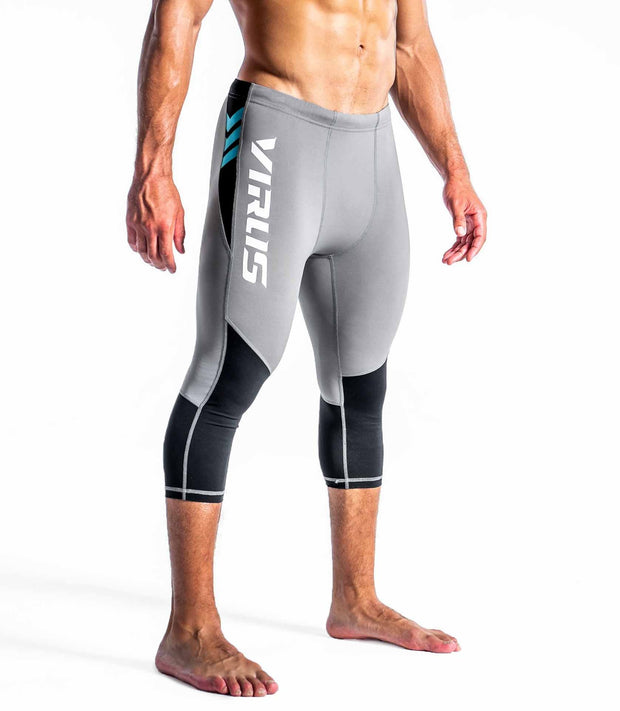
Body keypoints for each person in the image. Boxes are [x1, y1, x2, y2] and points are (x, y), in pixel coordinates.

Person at [126, 0, 487, 697]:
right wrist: (153, 166)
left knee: (361, 383)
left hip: (370, 154)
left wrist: (456, 168)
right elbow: (179, 15)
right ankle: (190, 628)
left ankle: (356, 599)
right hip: (276, 136)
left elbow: (410, 44)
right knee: (228, 372)